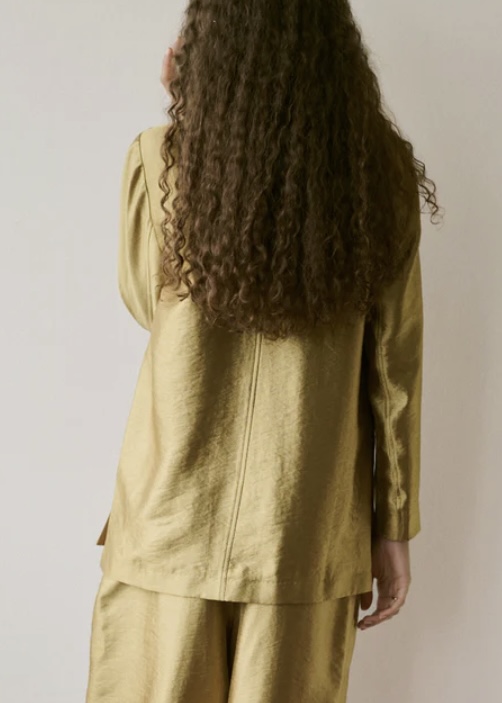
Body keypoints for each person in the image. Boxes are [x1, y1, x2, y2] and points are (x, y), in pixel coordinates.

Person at [85, 2, 440, 701]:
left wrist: (185, 109)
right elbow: (394, 370)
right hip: (303, 532)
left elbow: (145, 302)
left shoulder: (162, 159)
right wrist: (394, 525)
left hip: (168, 525)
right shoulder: (380, 177)